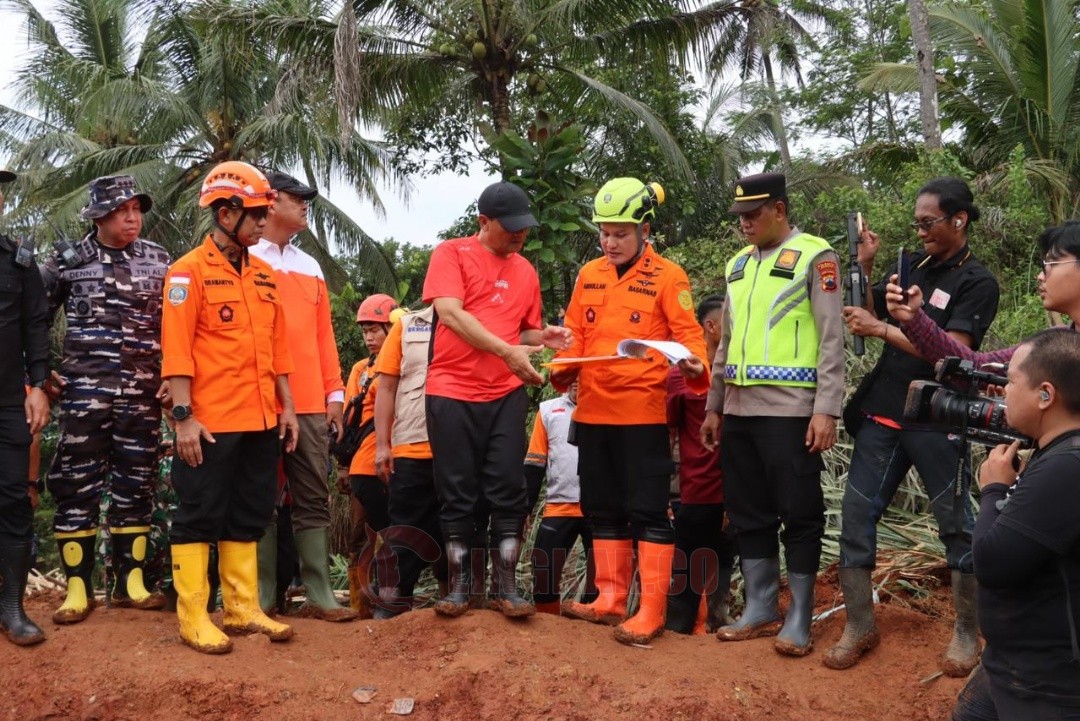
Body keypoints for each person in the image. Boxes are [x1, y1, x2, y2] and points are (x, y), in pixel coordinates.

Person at [828, 178, 1000, 674]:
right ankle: (859, 624)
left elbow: (956, 356)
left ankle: (967, 633)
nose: (921, 231)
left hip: (938, 416)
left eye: (928, 222)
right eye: (917, 223)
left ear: (958, 220)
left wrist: (883, 329)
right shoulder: (914, 266)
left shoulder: (976, 282)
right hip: (885, 410)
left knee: (956, 525)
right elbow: (875, 307)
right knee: (857, 519)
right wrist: (864, 264)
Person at [554, 177, 710, 646]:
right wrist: (562, 367)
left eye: (620, 232)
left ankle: (652, 610)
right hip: (594, 410)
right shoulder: (589, 274)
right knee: (602, 508)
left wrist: (695, 363)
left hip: (642, 412)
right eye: (604, 231)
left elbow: (689, 336)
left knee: (647, 511)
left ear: (645, 229)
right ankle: (609, 599)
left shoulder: (668, 275)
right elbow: (574, 333)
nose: (609, 241)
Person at [700, 172, 845, 657]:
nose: (744, 223)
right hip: (739, 409)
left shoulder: (815, 255)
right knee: (746, 511)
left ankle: (799, 613)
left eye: (753, 214)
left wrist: (826, 409)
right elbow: (724, 343)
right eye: (739, 215)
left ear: (779, 210)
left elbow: (831, 337)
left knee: (799, 511)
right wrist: (715, 405)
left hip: (791, 410)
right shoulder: (737, 266)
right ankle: (761, 606)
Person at [161, 161, 299, 654]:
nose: (265, 223)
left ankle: (241, 607)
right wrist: (183, 418)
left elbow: (278, 348)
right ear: (225, 214)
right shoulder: (187, 273)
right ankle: (193, 615)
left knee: (250, 511)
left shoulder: (263, 275)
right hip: (210, 421)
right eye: (257, 214)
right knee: (198, 512)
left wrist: (286, 407)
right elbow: (176, 351)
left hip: (261, 417)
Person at [423, 180, 571, 619]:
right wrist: (506, 351)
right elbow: (449, 312)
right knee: (456, 491)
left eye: (524, 228)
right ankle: (460, 587)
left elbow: (523, 330)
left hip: (505, 393)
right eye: (510, 228)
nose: (520, 235)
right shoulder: (451, 254)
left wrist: (545, 336)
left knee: (507, 489)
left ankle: (506, 586)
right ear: (483, 223)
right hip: (451, 390)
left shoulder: (526, 269)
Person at [41, 175, 170, 623]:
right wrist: (40, 373)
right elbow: (33, 318)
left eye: (136, 209)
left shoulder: (159, 260)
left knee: (137, 483)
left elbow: (178, 324)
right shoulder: (67, 261)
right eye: (120, 211)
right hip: (84, 396)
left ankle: (131, 583)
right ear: (98, 216)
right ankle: (78, 589)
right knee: (77, 487)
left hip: (143, 395)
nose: (131, 217)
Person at [951, 330, 1080, 720]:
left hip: (1049, 684)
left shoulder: (1066, 467)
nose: (1001, 392)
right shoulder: (1055, 452)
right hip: (1016, 665)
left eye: (1009, 382)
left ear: (1045, 394)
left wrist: (993, 488)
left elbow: (993, 564)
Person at [250, 171, 355, 622]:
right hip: (255, 398)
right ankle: (262, 595)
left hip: (311, 399)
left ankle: (320, 594)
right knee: (258, 495)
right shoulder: (244, 258)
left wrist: (336, 393)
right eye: (298, 199)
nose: (305, 205)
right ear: (270, 204)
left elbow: (323, 336)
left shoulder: (309, 266)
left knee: (312, 494)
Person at [886, 220, 1080, 367]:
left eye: (1050, 264)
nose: (1040, 276)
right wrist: (914, 319)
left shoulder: (1059, 346)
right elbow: (979, 366)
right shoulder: (1054, 342)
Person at [371, 304, 449, 619]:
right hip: (411, 447)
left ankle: (456, 605)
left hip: (457, 452)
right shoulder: (407, 325)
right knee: (404, 534)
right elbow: (387, 387)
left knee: (456, 531)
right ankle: (391, 607)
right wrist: (381, 445)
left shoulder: (477, 323)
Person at [665, 294, 736, 635]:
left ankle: (719, 623)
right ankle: (677, 633)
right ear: (711, 326)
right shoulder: (682, 375)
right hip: (696, 489)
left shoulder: (741, 367)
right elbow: (669, 435)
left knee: (725, 560)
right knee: (688, 569)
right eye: (729, 319)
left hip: (737, 488)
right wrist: (663, 492)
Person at [0, 168, 50, 647]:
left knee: (14, 499)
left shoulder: (17, 262)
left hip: (5, 403)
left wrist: (37, 385)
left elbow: (36, 324)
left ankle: (13, 608)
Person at [342, 293, 398, 617]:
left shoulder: (406, 363)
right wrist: (343, 467)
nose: (369, 337)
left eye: (375, 330)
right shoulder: (360, 370)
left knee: (393, 532)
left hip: (398, 457)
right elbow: (350, 422)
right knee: (362, 535)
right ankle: (361, 608)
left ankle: (389, 603)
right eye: (365, 331)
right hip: (364, 459)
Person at [523, 381, 597, 615]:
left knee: (603, 576)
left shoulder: (608, 410)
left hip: (599, 509)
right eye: (571, 375)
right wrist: (526, 508)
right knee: (543, 569)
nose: (577, 380)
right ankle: (549, 624)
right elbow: (534, 463)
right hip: (559, 505)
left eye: (581, 375)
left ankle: (591, 621)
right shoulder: (547, 410)